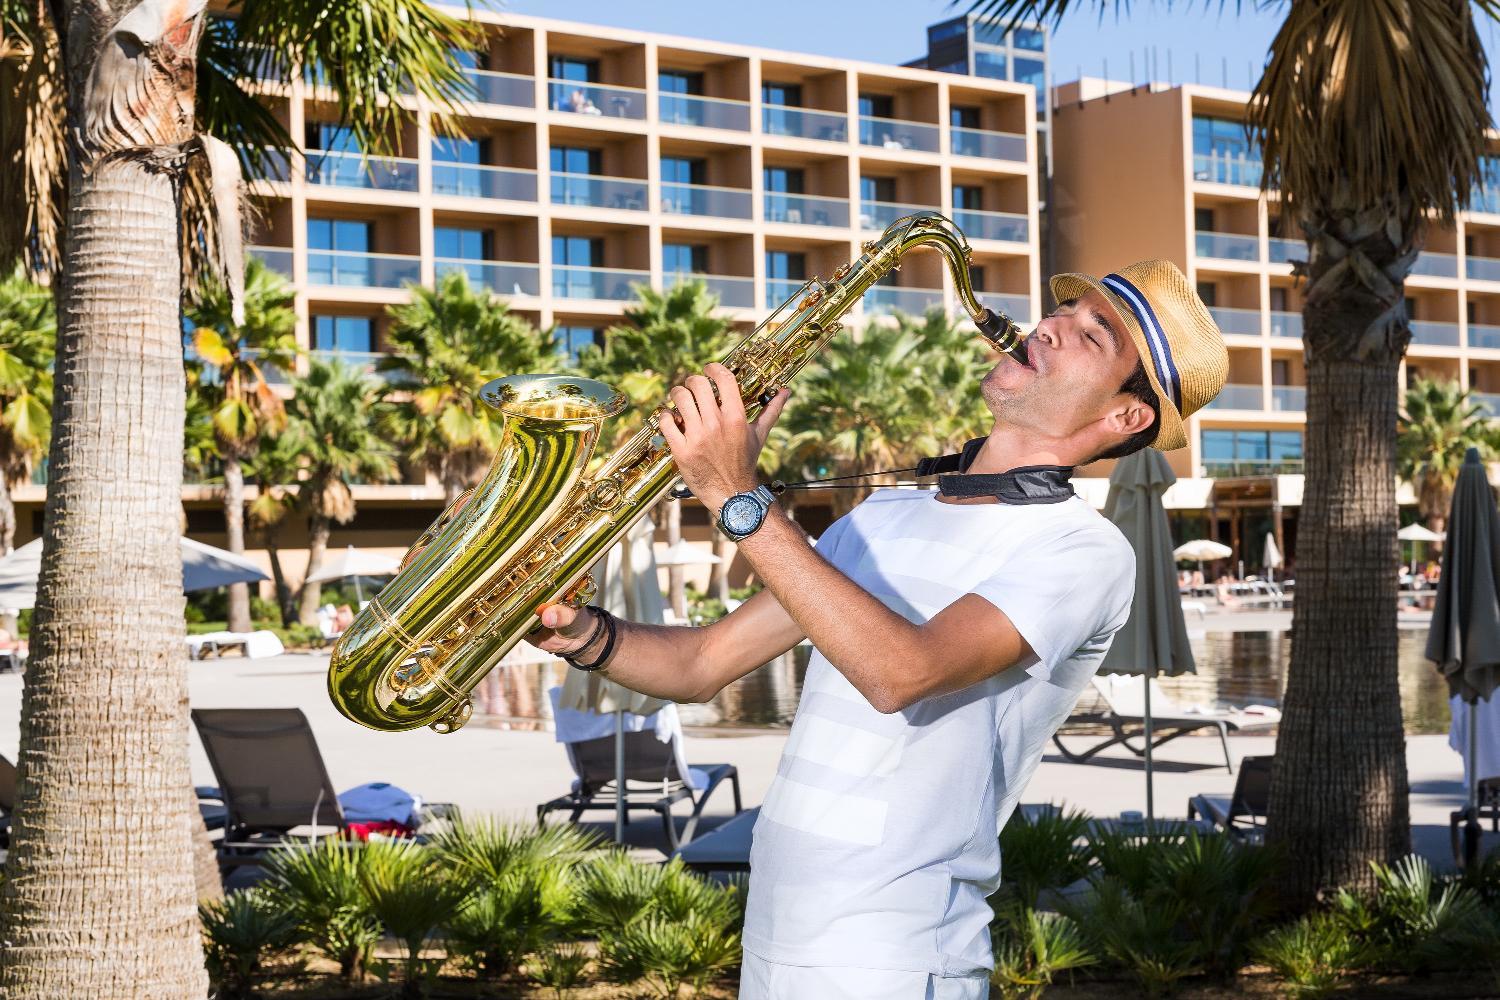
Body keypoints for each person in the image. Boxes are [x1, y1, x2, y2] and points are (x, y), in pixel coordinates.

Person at [527, 260, 1229, 999]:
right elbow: (703, 661)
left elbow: (901, 672)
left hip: (898, 958)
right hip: (773, 942)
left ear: (1126, 417)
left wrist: (737, 495)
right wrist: (582, 634)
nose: (1049, 326)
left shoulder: (1085, 553)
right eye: (1064, 312)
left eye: (1092, 335)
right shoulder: (885, 516)